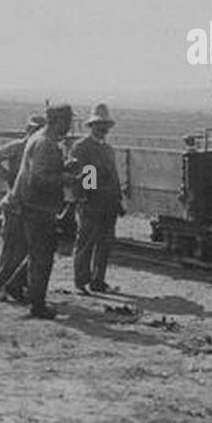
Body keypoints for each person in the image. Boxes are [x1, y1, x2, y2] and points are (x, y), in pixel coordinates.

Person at [1, 104, 75, 319]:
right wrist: (67, 178)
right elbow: (39, 179)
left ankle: (15, 285)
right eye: (67, 121)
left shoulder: (44, 139)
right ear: (57, 121)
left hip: (37, 205)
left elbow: (43, 171)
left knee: (42, 250)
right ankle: (37, 305)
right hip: (36, 206)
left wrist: (64, 168)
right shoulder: (45, 143)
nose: (69, 127)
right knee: (42, 255)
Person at [0, 113, 46, 298]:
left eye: (39, 130)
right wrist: (8, 177)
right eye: (34, 129)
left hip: (33, 208)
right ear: (28, 130)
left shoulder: (42, 150)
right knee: (12, 248)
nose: (36, 133)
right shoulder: (18, 147)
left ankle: (17, 286)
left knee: (29, 249)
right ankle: (1, 284)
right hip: (15, 206)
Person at [68, 104, 124, 294]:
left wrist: (117, 199)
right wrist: (84, 198)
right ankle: (81, 282)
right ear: (91, 126)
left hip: (108, 203)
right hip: (91, 202)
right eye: (99, 125)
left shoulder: (108, 149)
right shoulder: (82, 147)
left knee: (105, 243)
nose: (103, 129)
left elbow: (114, 176)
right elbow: (82, 177)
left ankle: (98, 281)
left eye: (105, 125)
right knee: (86, 242)